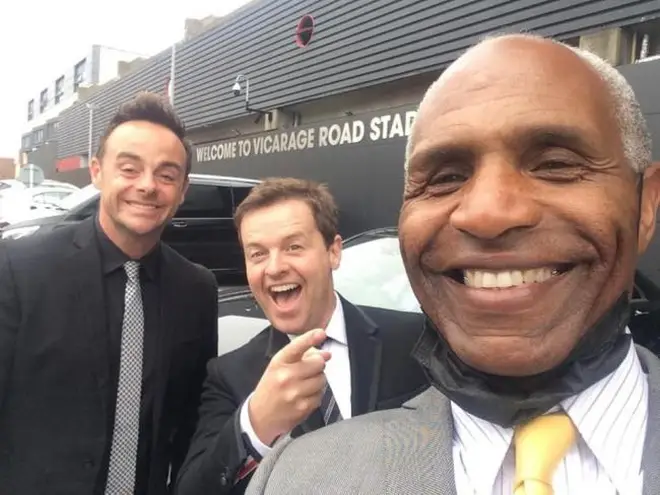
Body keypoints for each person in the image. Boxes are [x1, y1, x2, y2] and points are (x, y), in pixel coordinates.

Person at [243, 34, 660, 494]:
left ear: (645, 205)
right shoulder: (299, 478)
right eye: (447, 177)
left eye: (555, 164)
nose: (487, 213)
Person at [0, 92, 219, 495]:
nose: (148, 186)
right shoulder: (19, 267)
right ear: (98, 172)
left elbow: (191, 423)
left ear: (183, 189)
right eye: (130, 169)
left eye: (166, 175)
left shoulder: (196, 289)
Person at [174, 178, 428, 494]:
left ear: (333, 252)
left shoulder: (413, 340)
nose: (275, 267)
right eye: (257, 254)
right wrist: (255, 425)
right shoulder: (229, 376)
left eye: (293, 246)